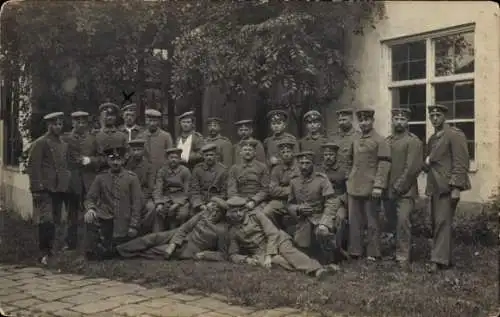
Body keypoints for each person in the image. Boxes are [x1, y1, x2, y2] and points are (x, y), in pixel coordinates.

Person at [225, 196, 333, 279]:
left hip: (277, 239)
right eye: (234, 212)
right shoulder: (233, 231)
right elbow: (233, 254)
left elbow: (272, 233)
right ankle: (322, 268)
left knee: (289, 253)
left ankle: (317, 270)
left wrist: (269, 255)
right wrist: (246, 259)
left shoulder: (256, 216)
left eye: (241, 210)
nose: (239, 214)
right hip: (260, 252)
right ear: (229, 213)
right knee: (278, 262)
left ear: (245, 210)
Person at [424, 104, 471, 273]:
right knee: (437, 222)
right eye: (432, 116)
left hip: (448, 186)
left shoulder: (454, 134)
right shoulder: (432, 138)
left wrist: (456, 187)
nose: (434, 118)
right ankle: (445, 259)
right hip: (435, 186)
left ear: (445, 116)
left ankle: (438, 260)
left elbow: (461, 162)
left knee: (443, 222)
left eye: (438, 115)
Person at [116, 197, 229, 261]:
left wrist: (205, 255)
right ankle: (117, 249)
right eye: (212, 208)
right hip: (179, 234)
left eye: (217, 211)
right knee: (152, 237)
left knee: (156, 250)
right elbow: (185, 228)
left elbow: (223, 254)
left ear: (222, 214)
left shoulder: (222, 230)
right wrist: (173, 244)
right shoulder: (202, 214)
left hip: (189, 247)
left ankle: (121, 253)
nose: (213, 213)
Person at [83, 145, 143, 260]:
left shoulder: (132, 178)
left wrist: (134, 225)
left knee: (120, 250)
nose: (115, 162)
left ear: (123, 160)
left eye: (118, 159)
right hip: (106, 219)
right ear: (107, 160)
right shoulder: (101, 177)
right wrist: (90, 208)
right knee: (90, 218)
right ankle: (94, 249)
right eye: (112, 159)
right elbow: (90, 197)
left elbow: (137, 203)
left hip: (124, 221)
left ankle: (111, 249)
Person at [346, 108, 391, 261]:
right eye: (361, 121)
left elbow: (384, 163)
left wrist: (379, 185)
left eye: (366, 120)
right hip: (354, 185)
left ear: (372, 121)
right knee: (355, 220)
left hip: (371, 187)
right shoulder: (356, 139)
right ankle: (355, 250)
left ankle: (373, 252)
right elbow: (350, 160)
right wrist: (349, 177)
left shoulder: (380, 140)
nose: (363, 123)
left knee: (372, 221)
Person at [28, 112, 71, 264]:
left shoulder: (63, 144)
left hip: (58, 188)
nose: (58, 127)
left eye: (60, 124)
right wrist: (36, 188)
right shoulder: (41, 143)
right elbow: (33, 166)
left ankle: (54, 250)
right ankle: (43, 253)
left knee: (58, 220)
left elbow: (64, 166)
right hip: (45, 188)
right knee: (47, 220)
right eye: (55, 124)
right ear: (49, 125)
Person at [383, 108, 423, 269]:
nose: (399, 122)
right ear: (392, 121)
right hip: (388, 190)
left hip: (405, 191)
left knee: (403, 222)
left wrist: (398, 187)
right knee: (391, 222)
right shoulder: (388, 141)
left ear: (407, 122)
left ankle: (403, 256)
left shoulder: (413, 141)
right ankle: (394, 251)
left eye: (402, 119)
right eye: (396, 119)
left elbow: (412, 168)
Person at [287, 151, 338, 259]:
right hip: (303, 219)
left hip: (319, 216)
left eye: (307, 163)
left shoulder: (322, 179)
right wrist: (298, 208)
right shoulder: (294, 180)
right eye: (301, 163)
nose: (304, 166)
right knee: (301, 249)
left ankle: (329, 259)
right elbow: (290, 204)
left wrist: (325, 223)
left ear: (313, 164)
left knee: (322, 233)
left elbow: (332, 202)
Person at [61, 111, 94, 250]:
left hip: (89, 180)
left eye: (83, 122)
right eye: (77, 122)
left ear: (87, 123)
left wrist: (90, 160)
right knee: (72, 212)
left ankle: (90, 243)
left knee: (91, 209)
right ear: (73, 122)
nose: (80, 124)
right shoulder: (65, 139)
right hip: (72, 180)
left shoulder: (93, 139)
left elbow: (102, 158)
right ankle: (70, 243)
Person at [317, 142, 349, 259]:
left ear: (336, 155)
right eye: (326, 154)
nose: (328, 157)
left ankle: (338, 249)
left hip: (340, 201)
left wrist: (341, 201)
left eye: (331, 154)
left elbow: (348, 190)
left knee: (340, 218)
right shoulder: (318, 170)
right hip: (323, 202)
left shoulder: (343, 170)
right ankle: (326, 249)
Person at [261, 139, 300, 227]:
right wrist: (291, 190)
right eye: (283, 152)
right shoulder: (276, 169)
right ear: (280, 154)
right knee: (267, 211)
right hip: (281, 201)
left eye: (288, 151)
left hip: (297, 201)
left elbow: (303, 187)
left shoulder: (300, 167)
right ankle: (279, 233)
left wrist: (283, 190)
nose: (286, 154)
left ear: (293, 153)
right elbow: (273, 191)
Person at [153, 148, 192, 231]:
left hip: (181, 199)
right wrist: (159, 203)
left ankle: (178, 237)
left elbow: (187, 191)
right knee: (158, 211)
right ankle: (157, 236)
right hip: (166, 198)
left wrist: (177, 204)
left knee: (183, 214)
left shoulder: (185, 171)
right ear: (167, 159)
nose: (174, 160)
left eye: (176, 157)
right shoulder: (162, 171)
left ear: (180, 159)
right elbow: (158, 188)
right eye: (171, 157)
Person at [227, 139, 270, 213]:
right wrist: (238, 201)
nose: (247, 152)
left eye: (250, 150)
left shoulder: (262, 167)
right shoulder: (234, 168)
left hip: (257, 201)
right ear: (240, 153)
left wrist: (254, 201)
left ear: (255, 153)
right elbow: (231, 189)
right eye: (245, 150)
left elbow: (265, 189)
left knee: (258, 215)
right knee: (233, 215)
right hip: (239, 201)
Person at [125, 139, 156, 234]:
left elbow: (149, 187)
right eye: (134, 150)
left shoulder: (149, 166)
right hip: (127, 194)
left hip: (142, 194)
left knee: (151, 208)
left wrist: (140, 199)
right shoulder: (126, 164)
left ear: (143, 150)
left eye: (139, 150)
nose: (136, 153)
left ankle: (142, 231)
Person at [190, 143, 228, 213]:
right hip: (200, 203)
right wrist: (200, 205)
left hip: (216, 203)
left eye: (211, 155)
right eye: (206, 155)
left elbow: (224, 193)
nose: (209, 157)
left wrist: (214, 203)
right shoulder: (197, 170)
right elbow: (194, 191)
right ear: (203, 156)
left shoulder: (222, 170)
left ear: (216, 156)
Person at [137, 108, 174, 179]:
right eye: (150, 120)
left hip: (162, 172)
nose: (152, 123)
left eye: (155, 121)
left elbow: (170, 155)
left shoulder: (166, 136)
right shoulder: (140, 136)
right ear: (146, 121)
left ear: (158, 122)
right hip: (145, 172)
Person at [93, 103, 128, 170]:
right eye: (106, 115)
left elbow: (128, 153)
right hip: (100, 172)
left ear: (116, 117)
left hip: (119, 171)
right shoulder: (95, 135)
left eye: (112, 115)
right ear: (101, 116)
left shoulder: (122, 135)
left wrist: (121, 161)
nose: (109, 118)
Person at [331, 108, 360, 178]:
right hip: (336, 176)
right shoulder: (333, 137)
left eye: (344, 120)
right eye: (339, 120)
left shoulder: (358, 136)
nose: (341, 123)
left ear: (351, 120)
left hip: (351, 176)